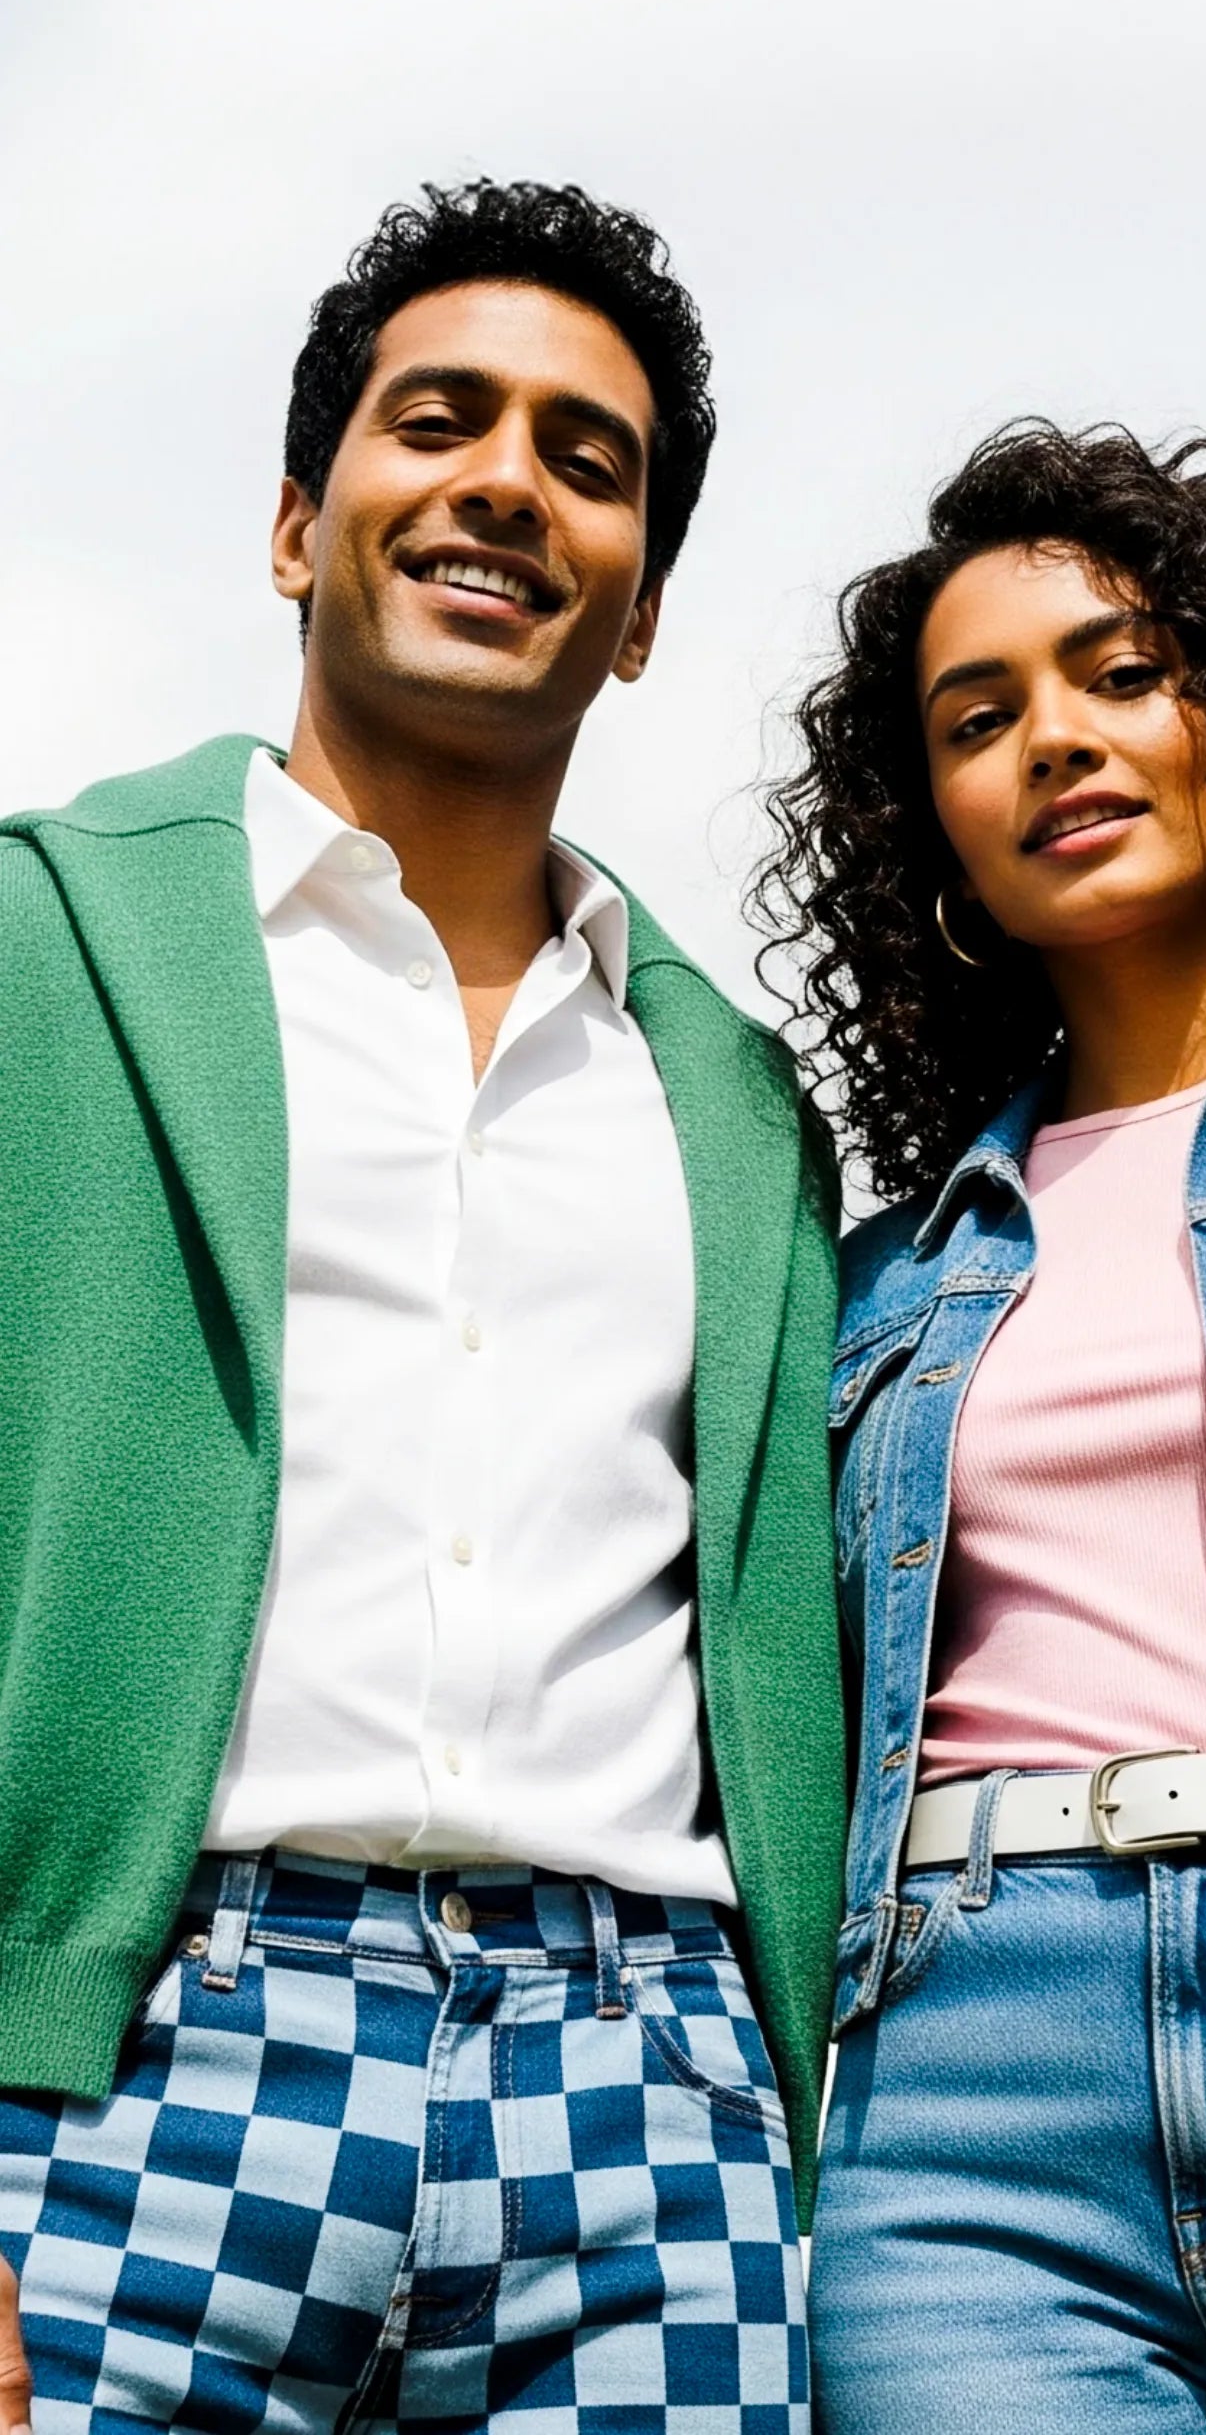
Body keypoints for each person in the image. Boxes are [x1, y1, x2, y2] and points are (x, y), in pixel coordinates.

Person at [0, 179, 844, 2434]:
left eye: (588, 459)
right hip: (135, 2073)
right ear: (298, 522)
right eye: (438, 421)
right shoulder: (38, 951)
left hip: (651, 2104)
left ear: (640, 608)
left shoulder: (740, 1107)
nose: (505, 481)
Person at [756, 420, 1206, 2432]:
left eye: (1120, 670)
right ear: (939, 836)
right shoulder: (882, 1275)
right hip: (977, 2116)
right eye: (980, 718)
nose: (1057, 740)